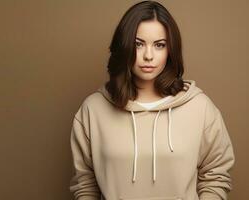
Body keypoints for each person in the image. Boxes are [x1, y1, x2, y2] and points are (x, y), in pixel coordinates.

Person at [69, 1, 235, 199]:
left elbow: (216, 176)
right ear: (124, 47)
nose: (148, 56)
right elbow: (85, 183)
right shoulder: (93, 110)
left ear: (170, 50)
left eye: (159, 45)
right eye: (138, 44)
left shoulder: (200, 107)